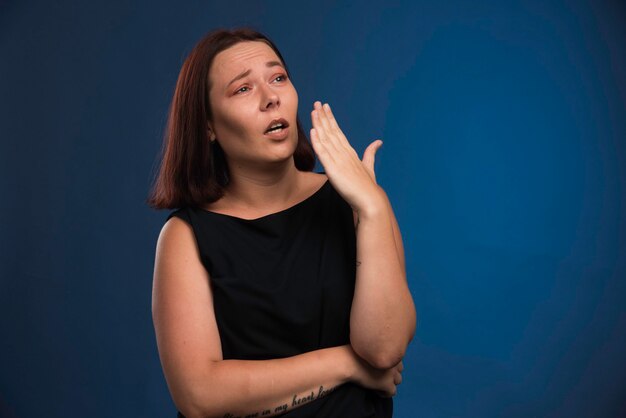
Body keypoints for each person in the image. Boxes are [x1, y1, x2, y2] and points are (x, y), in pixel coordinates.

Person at [148, 28, 416, 418]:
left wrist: (371, 209)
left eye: (278, 78)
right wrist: (348, 365)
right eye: (243, 89)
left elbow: (384, 349)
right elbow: (198, 396)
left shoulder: (361, 200)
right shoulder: (185, 237)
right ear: (207, 126)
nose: (270, 97)